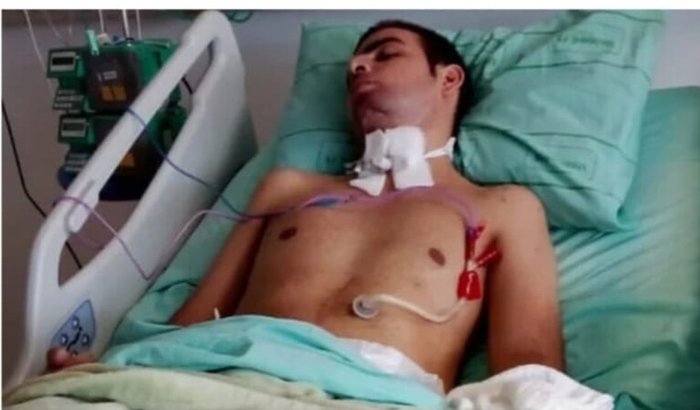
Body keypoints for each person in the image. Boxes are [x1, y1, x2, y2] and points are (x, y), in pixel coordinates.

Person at [49, 19, 564, 393]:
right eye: (352, 69)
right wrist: (109, 374)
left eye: (385, 54)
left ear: (448, 78)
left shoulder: (502, 208)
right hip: (220, 380)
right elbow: (196, 321)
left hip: (373, 394)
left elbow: (529, 366)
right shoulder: (288, 189)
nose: (358, 67)